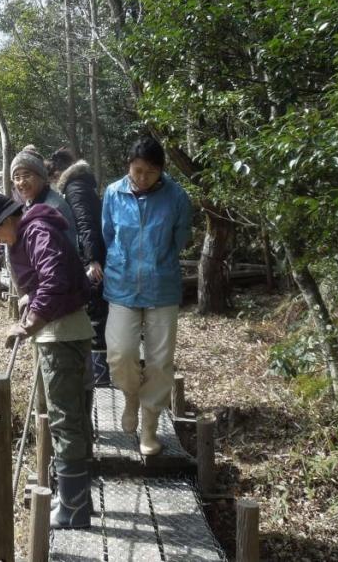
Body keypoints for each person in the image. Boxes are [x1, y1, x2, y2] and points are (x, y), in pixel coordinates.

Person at [0, 192, 95, 529]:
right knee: (70, 416)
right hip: (62, 331)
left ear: (6, 221)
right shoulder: (29, 233)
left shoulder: (37, 231)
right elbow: (46, 279)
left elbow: (55, 280)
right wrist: (30, 299)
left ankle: (74, 509)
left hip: (62, 335)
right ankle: (75, 497)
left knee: (65, 419)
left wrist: (27, 324)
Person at [101, 136, 192, 455]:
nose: (142, 179)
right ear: (128, 166)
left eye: (150, 173)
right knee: (121, 351)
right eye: (137, 171)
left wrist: (157, 261)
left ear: (161, 171)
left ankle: (150, 428)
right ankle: (129, 396)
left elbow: (180, 238)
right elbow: (108, 234)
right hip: (121, 285)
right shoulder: (113, 193)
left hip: (162, 286)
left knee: (159, 360)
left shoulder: (177, 196)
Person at [46, 148, 110, 386]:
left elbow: (85, 224)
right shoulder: (84, 184)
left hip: (94, 261)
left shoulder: (74, 189)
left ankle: (101, 379)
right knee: (99, 315)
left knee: (96, 316)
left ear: (59, 172)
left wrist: (92, 259)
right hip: (97, 257)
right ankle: (101, 375)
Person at [10, 145, 78, 249]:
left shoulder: (52, 208)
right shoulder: (31, 203)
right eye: (17, 177)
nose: (21, 182)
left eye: (26, 176)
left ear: (41, 176)